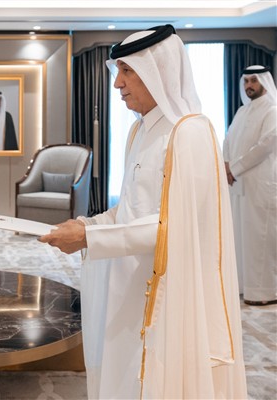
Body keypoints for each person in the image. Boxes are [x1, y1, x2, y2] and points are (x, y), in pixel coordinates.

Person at [40, 25, 247, 399]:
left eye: (127, 71)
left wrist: (89, 237)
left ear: (158, 70)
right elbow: (131, 210)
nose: (117, 83)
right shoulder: (139, 132)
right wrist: (87, 223)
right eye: (117, 71)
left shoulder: (190, 132)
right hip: (129, 280)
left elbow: (175, 227)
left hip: (169, 288)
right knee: (126, 371)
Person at [223, 65, 277, 305]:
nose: (249, 86)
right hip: (238, 185)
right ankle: (243, 287)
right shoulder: (242, 111)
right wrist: (226, 165)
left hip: (260, 185)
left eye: (254, 80)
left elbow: (265, 145)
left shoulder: (272, 110)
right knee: (240, 237)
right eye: (246, 81)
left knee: (260, 238)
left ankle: (265, 292)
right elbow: (228, 139)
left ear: (264, 82)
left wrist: (234, 169)